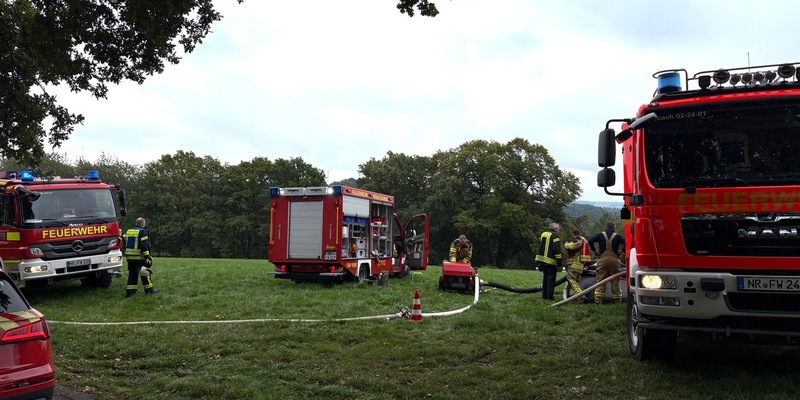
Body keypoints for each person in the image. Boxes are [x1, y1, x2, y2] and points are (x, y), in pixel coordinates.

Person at [588, 222, 626, 304]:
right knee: (615, 281)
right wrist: (622, 251)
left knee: (601, 280)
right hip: (614, 261)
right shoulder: (617, 236)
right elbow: (627, 242)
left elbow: (590, 241)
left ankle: (598, 300)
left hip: (603, 260)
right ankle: (617, 300)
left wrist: (594, 251)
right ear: (614, 227)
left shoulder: (600, 235)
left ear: (606, 227)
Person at [123, 217, 157, 297]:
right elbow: (144, 245)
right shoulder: (142, 232)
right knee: (145, 272)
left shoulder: (129, 231)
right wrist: (147, 257)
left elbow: (125, 243)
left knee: (132, 275)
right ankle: (149, 291)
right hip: (139, 257)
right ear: (142, 224)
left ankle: (130, 293)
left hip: (130, 257)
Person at [534, 222, 562, 300]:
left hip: (542, 260)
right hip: (551, 261)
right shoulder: (555, 236)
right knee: (551, 280)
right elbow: (557, 249)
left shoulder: (544, 234)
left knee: (545, 279)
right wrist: (559, 261)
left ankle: (544, 295)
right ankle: (550, 297)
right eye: (559, 228)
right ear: (555, 228)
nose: (559, 230)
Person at [564, 229, 592, 303]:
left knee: (570, 279)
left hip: (574, 263)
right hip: (581, 264)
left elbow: (570, 247)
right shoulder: (584, 240)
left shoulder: (577, 240)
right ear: (580, 233)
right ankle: (579, 298)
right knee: (577, 281)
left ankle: (581, 295)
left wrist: (566, 244)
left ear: (573, 234)